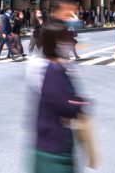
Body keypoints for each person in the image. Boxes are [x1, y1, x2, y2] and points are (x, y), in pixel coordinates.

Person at [30, 21, 88, 173]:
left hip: (56, 145)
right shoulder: (53, 70)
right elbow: (64, 104)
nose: (69, 43)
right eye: (64, 39)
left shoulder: (57, 67)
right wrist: (81, 103)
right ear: (55, 43)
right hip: (52, 148)